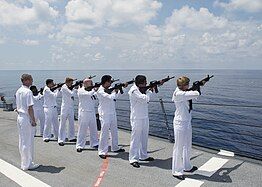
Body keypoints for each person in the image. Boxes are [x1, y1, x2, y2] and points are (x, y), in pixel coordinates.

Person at [172, 76, 199, 180]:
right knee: (178, 147)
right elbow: (196, 94)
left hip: (187, 122)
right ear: (183, 85)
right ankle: (176, 171)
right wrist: (197, 87)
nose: (188, 85)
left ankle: (187, 166)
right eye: (187, 84)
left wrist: (195, 87)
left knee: (187, 145)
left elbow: (191, 95)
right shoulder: (178, 93)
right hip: (180, 123)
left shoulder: (184, 92)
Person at [128, 75, 154, 168]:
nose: (146, 84)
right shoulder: (134, 90)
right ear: (140, 83)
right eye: (145, 82)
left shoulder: (141, 89)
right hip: (137, 118)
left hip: (144, 116)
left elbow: (144, 95)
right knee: (135, 139)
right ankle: (133, 159)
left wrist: (150, 88)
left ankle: (143, 155)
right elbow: (144, 99)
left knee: (144, 137)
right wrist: (150, 91)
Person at [96, 75, 125, 159]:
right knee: (104, 133)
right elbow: (111, 97)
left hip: (112, 112)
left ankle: (115, 147)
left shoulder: (110, 89)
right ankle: (102, 151)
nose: (111, 83)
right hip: (104, 114)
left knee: (114, 131)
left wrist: (120, 89)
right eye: (110, 81)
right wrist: (115, 91)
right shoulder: (100, 91)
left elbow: (116, 96)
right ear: (106, 82)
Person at [15, 74, 39, 170]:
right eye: (31, 79)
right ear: (26, 80)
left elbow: (18, 106)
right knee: (28, 142)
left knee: (22, 141)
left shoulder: (18, 91)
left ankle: (24, 162)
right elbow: (30, 108)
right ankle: (28, 164)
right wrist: (33, 120)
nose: (32, 81)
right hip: (26, 118)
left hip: (20, 117)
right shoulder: (28, 92)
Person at [76, 78, 99, 152]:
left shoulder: (91, 91)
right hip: (84, 113)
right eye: (90, 83)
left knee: (94, 129)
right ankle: (79, 145)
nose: (92, 84)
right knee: (82, 130)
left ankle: (94, 143)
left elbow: (96, 97)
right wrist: (94, 89)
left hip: (92, 112)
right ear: (85, 84)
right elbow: (89, 94)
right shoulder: (80, 90)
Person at [58, 77, 77, 146]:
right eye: (71, 83)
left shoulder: (68, 87)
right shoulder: (64, 87)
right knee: (62, 123)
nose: (72, 84)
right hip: (65, 108)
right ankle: (61, 139)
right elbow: (71, 94)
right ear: (68, 82)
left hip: (70, 107)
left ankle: (71, 137)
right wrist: (75, 89)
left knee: (71, 122)